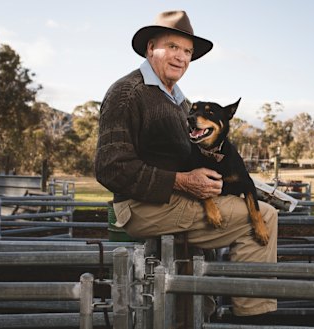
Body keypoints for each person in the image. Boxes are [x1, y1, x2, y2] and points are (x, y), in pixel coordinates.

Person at [94, 10, 278, 320]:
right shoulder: (128, 93)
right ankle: (254, 316)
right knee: (264, 218)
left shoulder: (179, 101)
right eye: (173, 47)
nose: (181, 57)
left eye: (188, 51)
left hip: (176, 200)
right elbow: (110, 168)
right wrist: (181, 181)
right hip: (144, 206)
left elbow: (189, 157)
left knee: (256, 201)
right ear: (151, 47)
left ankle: (201, 311)